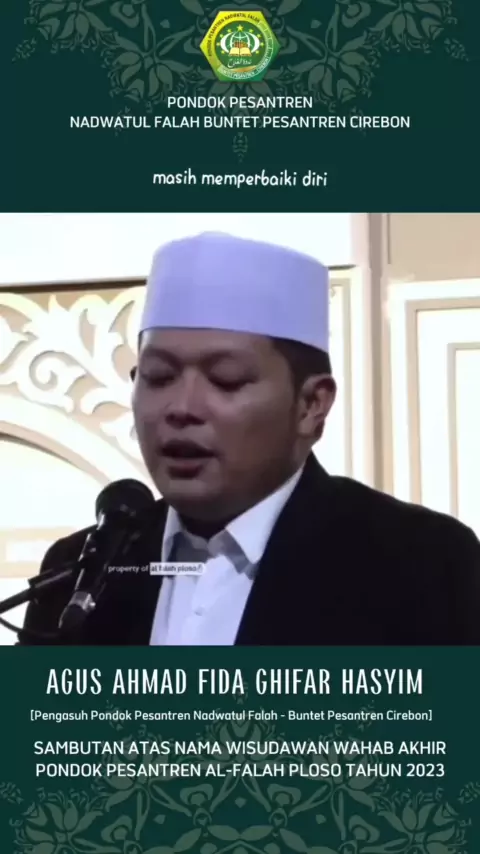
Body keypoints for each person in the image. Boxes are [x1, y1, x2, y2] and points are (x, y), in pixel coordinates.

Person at [20, 232, 480, 645]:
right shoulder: (82, 570)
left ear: (311, 404)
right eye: (159, 377)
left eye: (226, 380)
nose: (182, 407)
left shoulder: (421, 564)